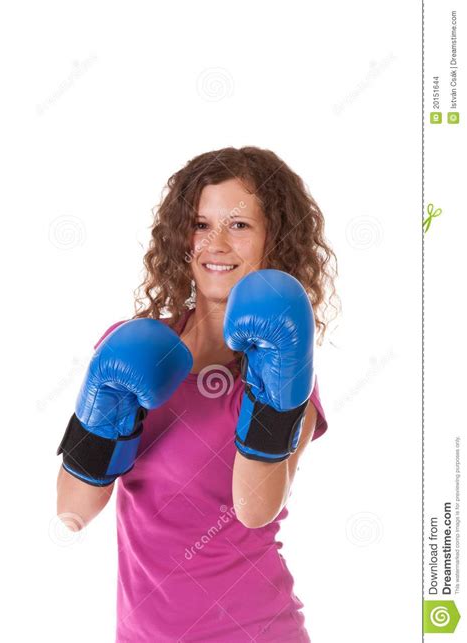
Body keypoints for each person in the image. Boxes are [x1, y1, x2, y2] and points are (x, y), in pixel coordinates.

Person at [56, 146, 340, 642]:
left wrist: (273, 383)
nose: (216, 243)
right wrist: (107, 413)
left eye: (239, 225)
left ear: (275, 240)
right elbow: (74, 510)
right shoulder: (130, 347)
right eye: (201, 224)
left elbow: (255, 509)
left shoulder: (286, 371)